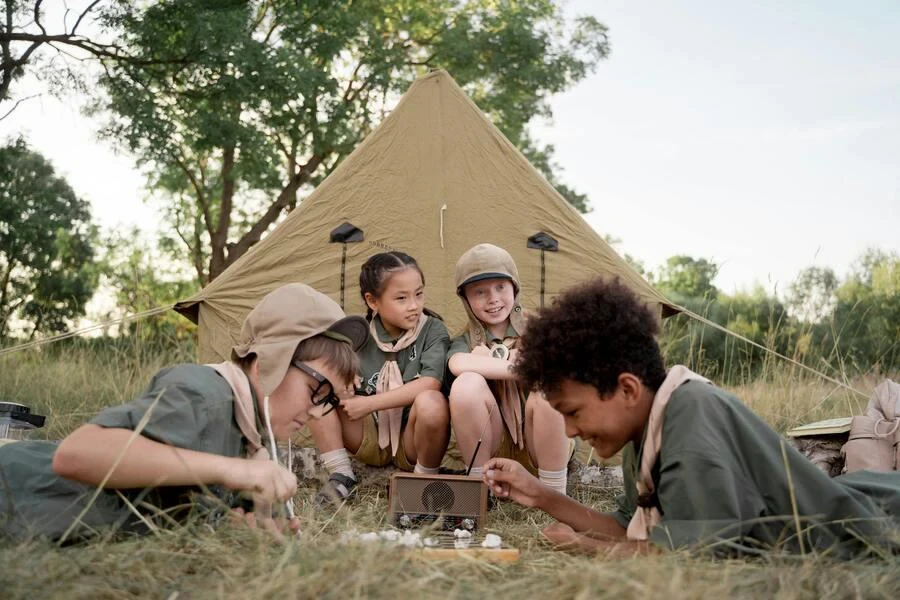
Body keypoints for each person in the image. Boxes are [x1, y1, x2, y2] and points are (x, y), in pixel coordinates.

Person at [483, 278, 900, 558]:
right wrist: (541, 495)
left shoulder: (689, 417)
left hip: (871, 524)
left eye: (573, 412)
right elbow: (630, 529)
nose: (571, 430)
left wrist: (589, 549)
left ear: (627, 389)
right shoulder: (644, 430)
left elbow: (691, 555)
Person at [0, 284, 367, 542]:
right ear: (271, 359)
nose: (318, 412)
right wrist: (238, 470)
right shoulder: (205, 391)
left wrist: (238, 524)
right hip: (15, 491)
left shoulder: (247, 435)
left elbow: (171, 501)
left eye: (329, 401)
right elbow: (76, 454)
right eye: (317, 390)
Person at [308, 252, 450, 503]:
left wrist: (370, 403)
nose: (414, 305)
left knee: (432, 401)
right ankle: (341, 476)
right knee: (317, 386)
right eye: (401, 298)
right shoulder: (356, 335)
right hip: (366, 435)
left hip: (411, 441)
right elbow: (323, 371)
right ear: (372, 301)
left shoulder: (433, 329)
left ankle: (422, 479)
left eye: (419, 294)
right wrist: (340, 382)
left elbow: (430, 382)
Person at [447, 243, 571, 495]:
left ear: (514, 287)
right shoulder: (466, 340)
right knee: (465, 384)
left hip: (541, 444)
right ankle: (480, 490)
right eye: (479, 292)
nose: (493, 299)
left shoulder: (539, 328)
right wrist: (519, 365)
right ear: (466, 299)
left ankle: (554, 493)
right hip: (495, 447)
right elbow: (458, 363)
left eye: (501, 287)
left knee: (550, 388)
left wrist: (492, 364)